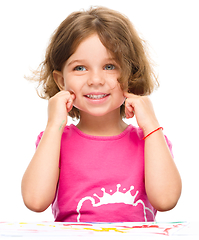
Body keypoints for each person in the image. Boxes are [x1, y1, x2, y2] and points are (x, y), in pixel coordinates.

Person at [21, 6, 182, 222]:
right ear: (61, 81)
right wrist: (53, 126)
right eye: (80, 68)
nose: (95, 80)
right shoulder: (54, 141)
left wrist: (151, 124)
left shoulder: (151, 140)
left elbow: (166, 200)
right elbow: (35, 201)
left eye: (109, 66)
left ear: (130, 74)